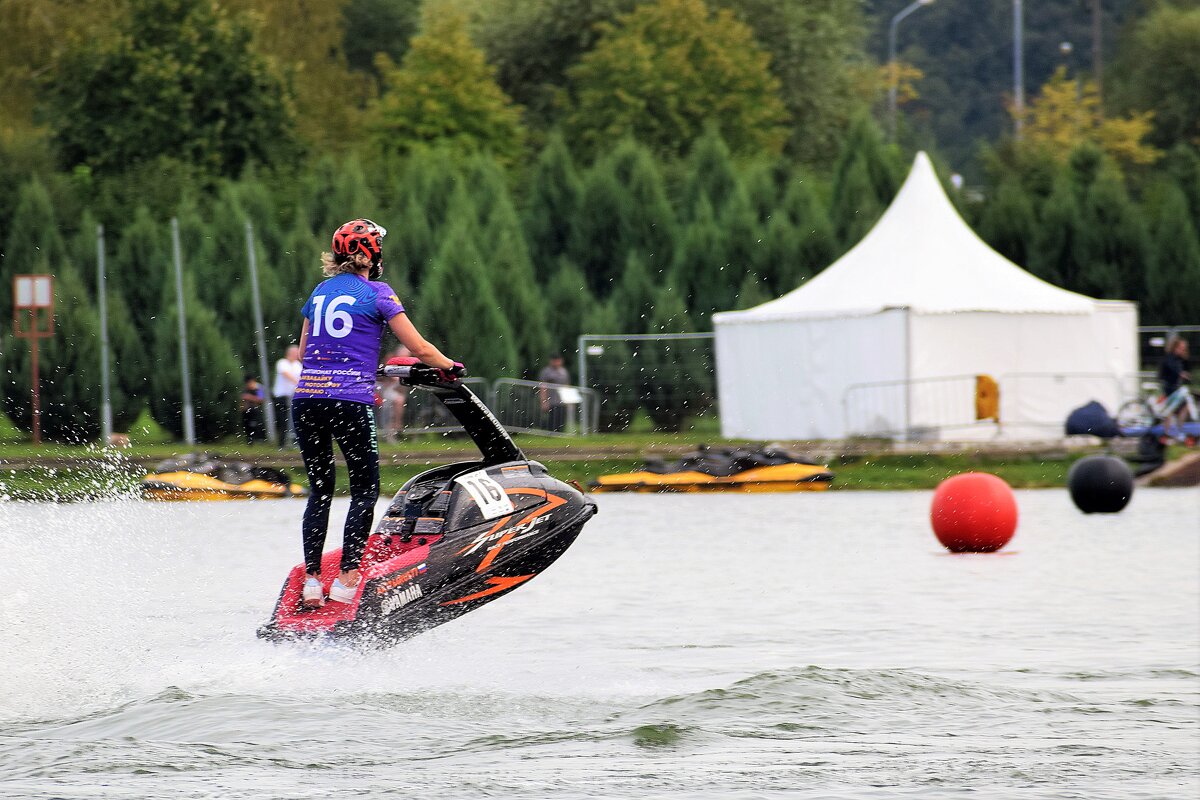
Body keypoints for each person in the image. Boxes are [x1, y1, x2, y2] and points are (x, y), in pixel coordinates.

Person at [293, 218, 459, 608]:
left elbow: (304, 354)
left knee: (320, 490)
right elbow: (420, 349)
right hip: (349, 400)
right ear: (370, 254)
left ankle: (313, 583)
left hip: (306, 400)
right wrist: (450, 366)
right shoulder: (379, 292)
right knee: (364, 489)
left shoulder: (319, 292)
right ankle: (349, 579)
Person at [1158, 335, 1193, 442]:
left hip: (1176, 388)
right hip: (1169, 387)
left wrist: (1186, 376)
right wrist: (1180, 374)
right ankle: (1168, 432)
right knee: (1170, 410)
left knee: (1183, 407)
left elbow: (1185, 369)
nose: (1183, 350)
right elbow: (1171, 369)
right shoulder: (1169, 357)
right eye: (1181, 348)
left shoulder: (1180, 359)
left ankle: (1178, 429)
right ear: (1175, 347)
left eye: (1184, 349)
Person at [272, 344, 302, 447]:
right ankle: (281, 444)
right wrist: (298, 383)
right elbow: (286, 374)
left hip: (293, 396)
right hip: (281, 397)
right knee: (282, 421)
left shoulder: (298, 365)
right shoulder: (282, 363)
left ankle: (295, 441)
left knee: (295, 420)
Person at [538, 354, 570, 433]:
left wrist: (569, 400)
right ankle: (551, 434)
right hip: (551, 401)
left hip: (561, 401)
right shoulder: (546, 372)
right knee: (552, 421)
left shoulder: (564, 372)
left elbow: (567, 386)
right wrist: (544, 401)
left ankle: (560, 434)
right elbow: (543, 387)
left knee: (561, 420)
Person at [240, 375, 266, 444]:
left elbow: (261, 399)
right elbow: (242, 400)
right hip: (247, 410)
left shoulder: (258, 388)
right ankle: (249, 439)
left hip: (256, 410)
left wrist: (249, 397)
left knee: (257, 424)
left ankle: (260, 439)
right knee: (247, 425)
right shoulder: (245, 389)